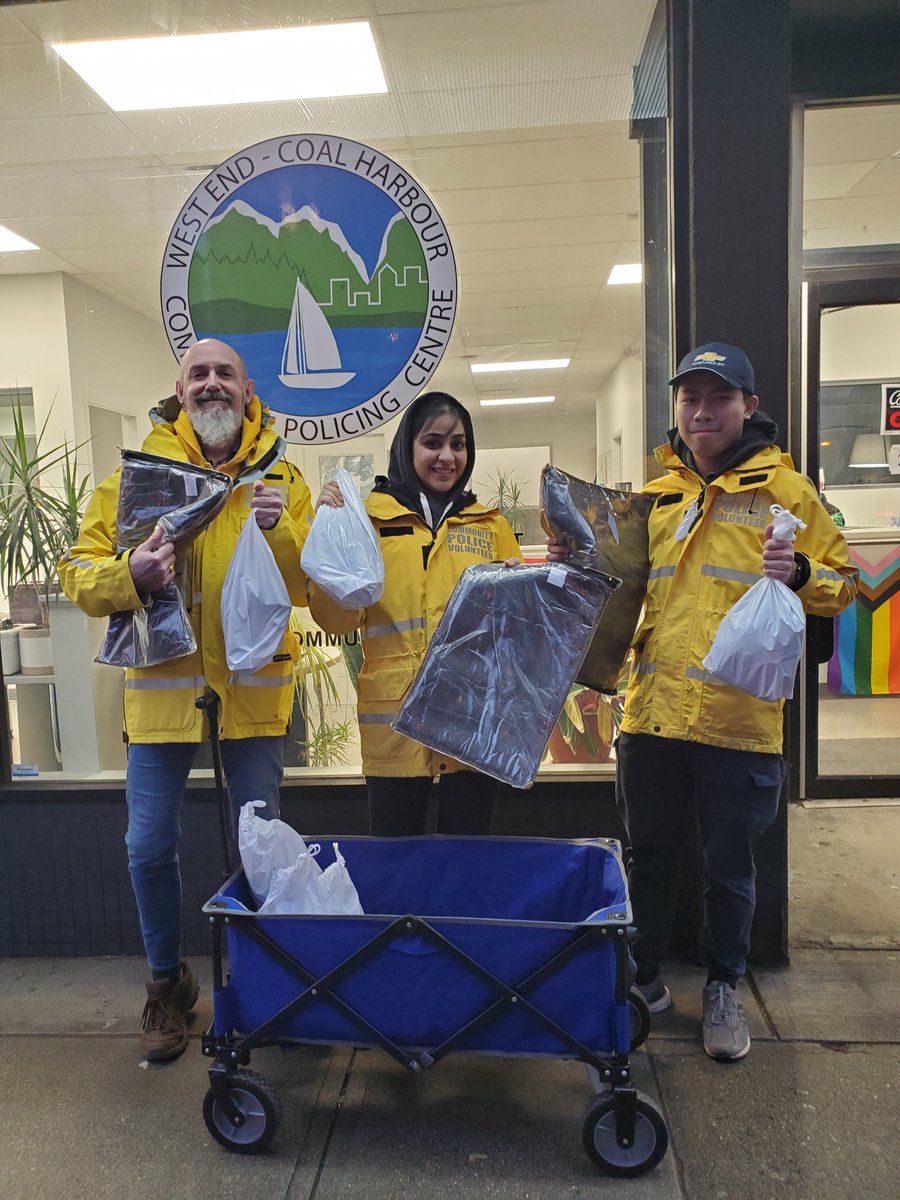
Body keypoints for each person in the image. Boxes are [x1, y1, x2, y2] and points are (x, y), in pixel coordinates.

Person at [548, 342, 857, 1061]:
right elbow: (617, 590)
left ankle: (724, 986)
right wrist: (575, 560)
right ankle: (644, 979)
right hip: (655, 713)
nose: (701, 410)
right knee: (648, 855)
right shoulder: (659, 496)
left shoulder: (789, 494)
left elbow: (843, 583)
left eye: (718, 397)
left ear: (749, 407)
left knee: (729, 867)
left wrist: (806, 569)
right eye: (689, 398)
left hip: (739, 723)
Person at [59, 338, 313, 1062]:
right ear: (178, 388)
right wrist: (130, 574)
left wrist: (283, 529)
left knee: (260, 849)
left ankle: (265, 986)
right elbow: (78, 570)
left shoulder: (281, 477)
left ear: (246, 388)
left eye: (223, 374)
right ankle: (166, 985)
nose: (211, 385)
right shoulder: (136, 477)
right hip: (162, 698)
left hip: (255, 698)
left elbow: (309, 590)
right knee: (147, 848)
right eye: (198, 374)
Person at [310, 390, 522, 836]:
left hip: (472, 724)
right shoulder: (368, 521)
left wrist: (520, 592)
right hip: (395, 726)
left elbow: (515, 633)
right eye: (433, 442)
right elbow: (338, 621)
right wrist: (331, 535)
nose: (447, 456)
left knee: (466, 861)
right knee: (394, 864)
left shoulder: (490, 525)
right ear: (408, 448)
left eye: (458, 444)